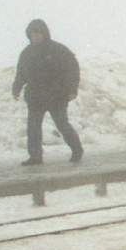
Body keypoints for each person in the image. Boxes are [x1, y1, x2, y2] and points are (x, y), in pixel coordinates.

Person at [11, 19, 83, 166]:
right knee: (33, 127)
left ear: (45, 34)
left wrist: (72, 89)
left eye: (38, 34)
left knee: (62, 123)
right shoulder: (26, 53)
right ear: (29, 36)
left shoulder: (58, 50)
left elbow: (72, 70)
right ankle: (35, 157)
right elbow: (21, 73)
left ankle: (77, 150)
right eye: (32, 34)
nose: (35, 37)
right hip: (35, 97)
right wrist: (16, 88)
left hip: (56, 96)